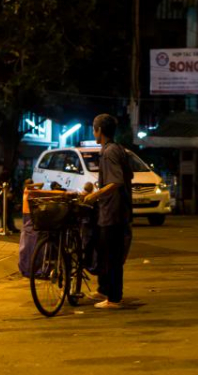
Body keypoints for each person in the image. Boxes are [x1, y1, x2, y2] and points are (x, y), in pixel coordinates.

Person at [84, 114, 133, 309]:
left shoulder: (109, 152)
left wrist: (95, 195)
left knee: (112, 256)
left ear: (99, 131)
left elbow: (117, 181)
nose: (93, 132)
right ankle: (104, 290)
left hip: (113, 212)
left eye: (94, 129)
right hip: (114, 210)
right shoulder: (116, 149)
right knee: (107, 253)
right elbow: (128, 174)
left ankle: (113, 298)